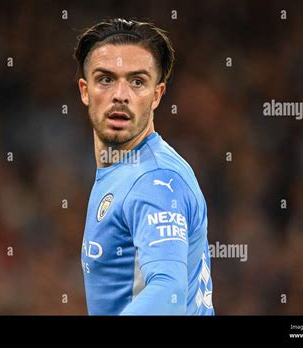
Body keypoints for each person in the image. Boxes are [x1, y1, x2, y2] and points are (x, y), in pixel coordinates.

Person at [75, 18, 214, 315]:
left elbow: (169, 291)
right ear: (85, 91)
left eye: (137, 81)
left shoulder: (154, 180)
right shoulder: (123, 170)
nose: (120, 95)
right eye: (106, 79)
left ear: (157, 95)